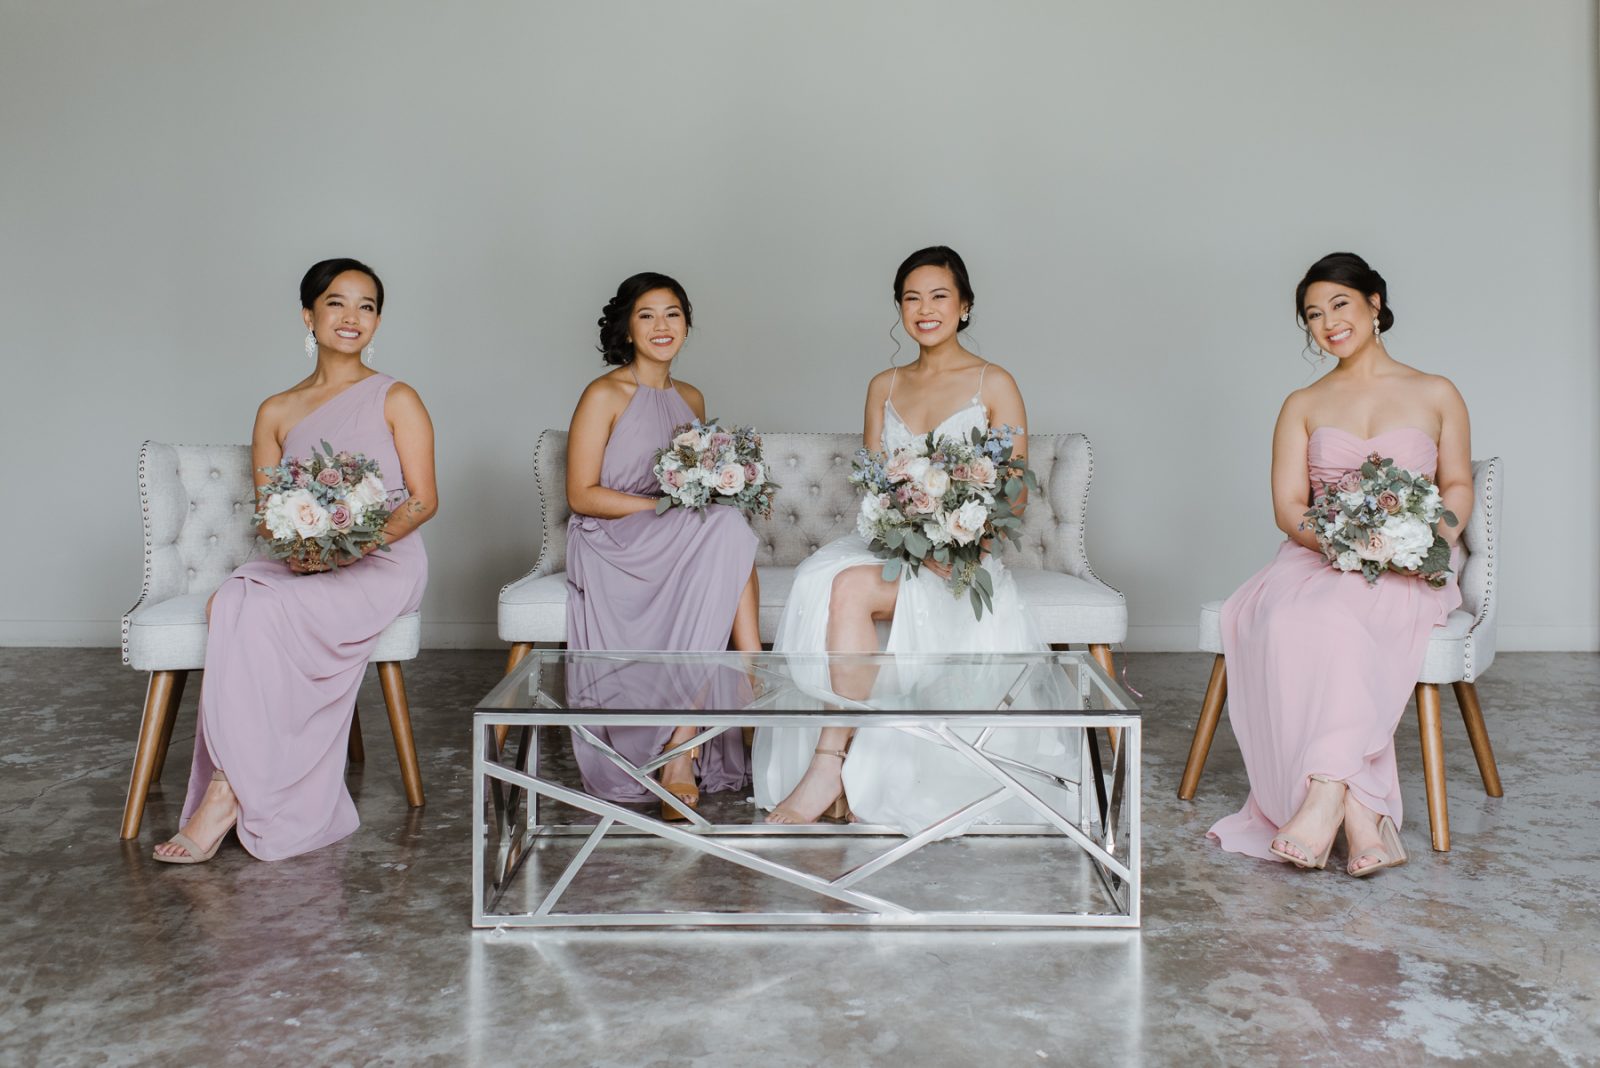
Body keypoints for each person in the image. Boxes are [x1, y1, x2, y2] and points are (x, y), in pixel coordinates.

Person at [754, 246, 1072, 832]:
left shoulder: (994, 382)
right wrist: (905, 532)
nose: (925, 309)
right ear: (899, 308)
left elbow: (1015, 495)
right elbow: (876, 485)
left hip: (964, 557)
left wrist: (959, 539)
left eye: (939, 296)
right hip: (896, 546)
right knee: (825, 578)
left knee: (848, 588)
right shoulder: (884, 385)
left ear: (965, 305)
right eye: (911, 298)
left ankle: (830, 762)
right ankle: (837, 762)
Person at [155, 258, 435, 863]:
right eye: (337, 302)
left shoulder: (397, 397)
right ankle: (231, 785)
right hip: (306, 560)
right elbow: (269, 514)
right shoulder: (276, 410)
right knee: (235, 599)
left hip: (383, 561)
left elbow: (422, 501)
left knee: (257, 608)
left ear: (377, 321)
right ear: (309, 315)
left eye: (366, 306)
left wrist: (350, 545)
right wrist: (309, 550)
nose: (352, 316)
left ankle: (225, 795)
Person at [1209, 252, 1471, 876]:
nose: (1328, 323)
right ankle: (1359, 813)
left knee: (1335, 618)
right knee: (1299, 617)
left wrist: (1423, 539)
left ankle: (1326, 797)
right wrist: (1344, 545)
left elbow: (1457, 485)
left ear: (1375, 303)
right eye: (1313, 315)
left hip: (1409, 565)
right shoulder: (1302, 402)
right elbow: (1288, 508)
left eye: (1340, 304)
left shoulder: (1436, 392)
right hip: (1318, 559)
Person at [563, 272, 759, 819]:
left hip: (679, 533)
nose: (661, 325)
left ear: (687, 325)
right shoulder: (604, 394)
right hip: (613, 538)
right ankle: (752, 678)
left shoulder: (691, 397)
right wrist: (664, 509)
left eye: (672, 313)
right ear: (627, 328)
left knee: (726, 523)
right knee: (723, 526)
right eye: (646, 315)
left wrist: (700, 495)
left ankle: (683, 741)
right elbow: (581, 494)